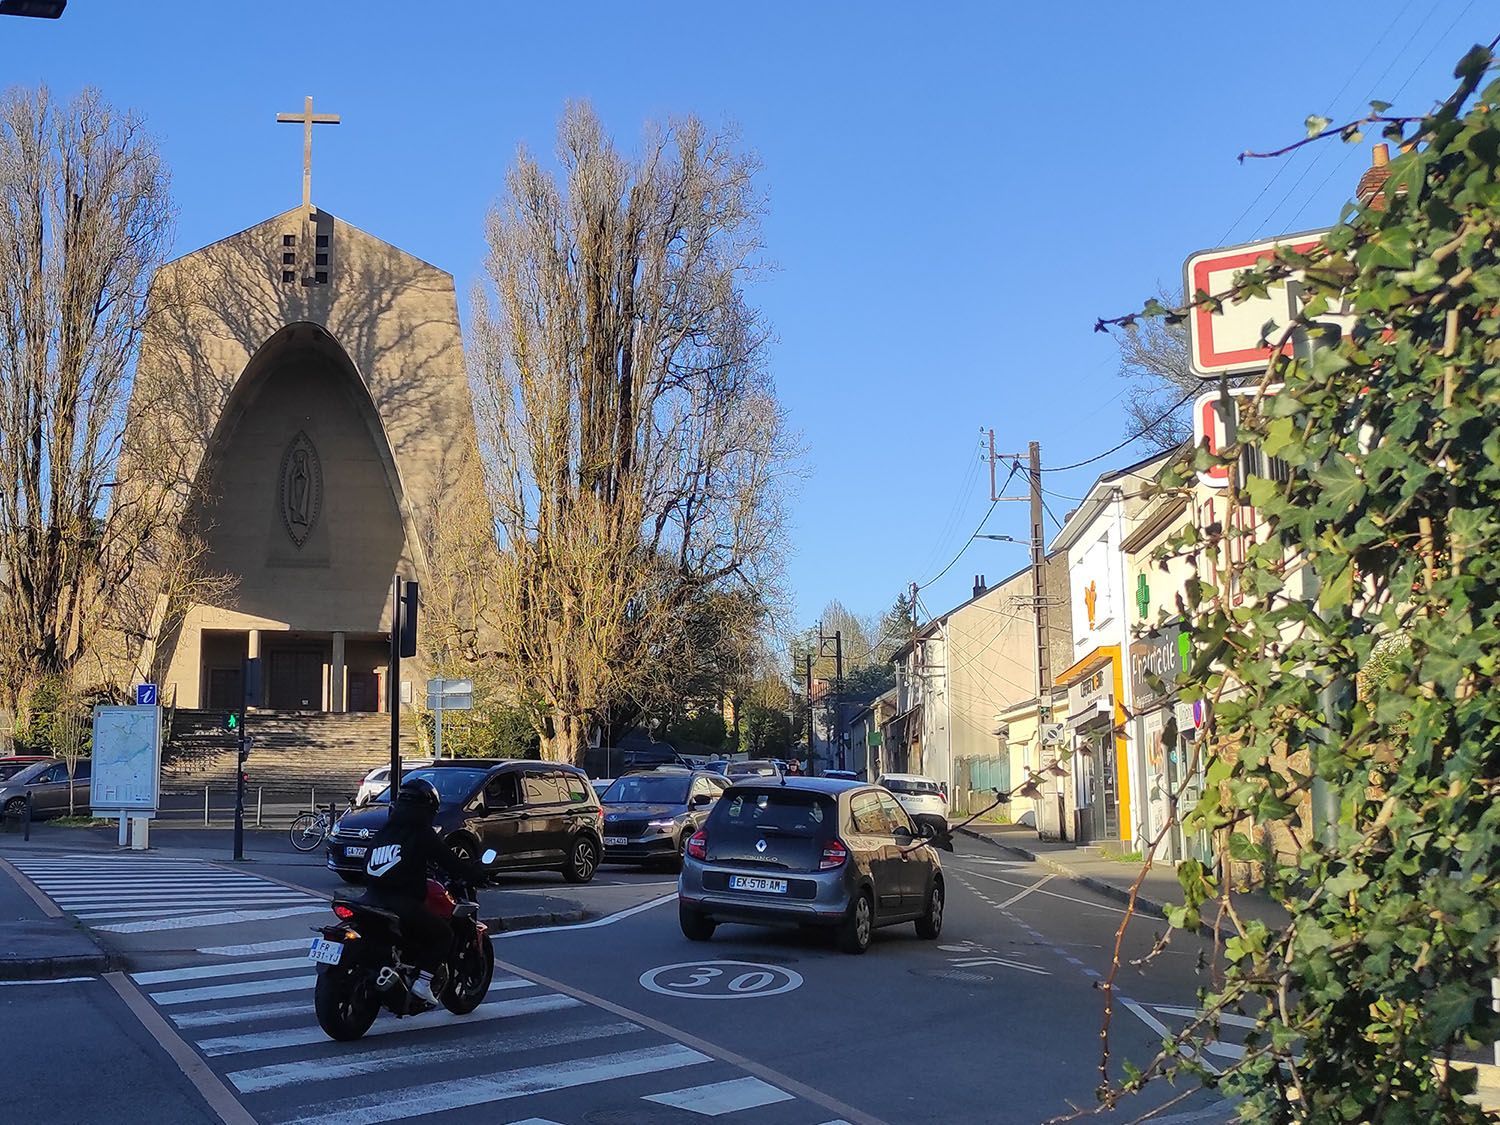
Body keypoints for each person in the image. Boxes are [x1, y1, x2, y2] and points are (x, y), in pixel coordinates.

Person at [363, 776, 489, 1005]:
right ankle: (423, 982)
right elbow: (449, 861)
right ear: (427, 807)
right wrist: (475, 874)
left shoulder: (385, 832)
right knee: (444, 935)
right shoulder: (421, 833)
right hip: (401, 902)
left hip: (370, 899)